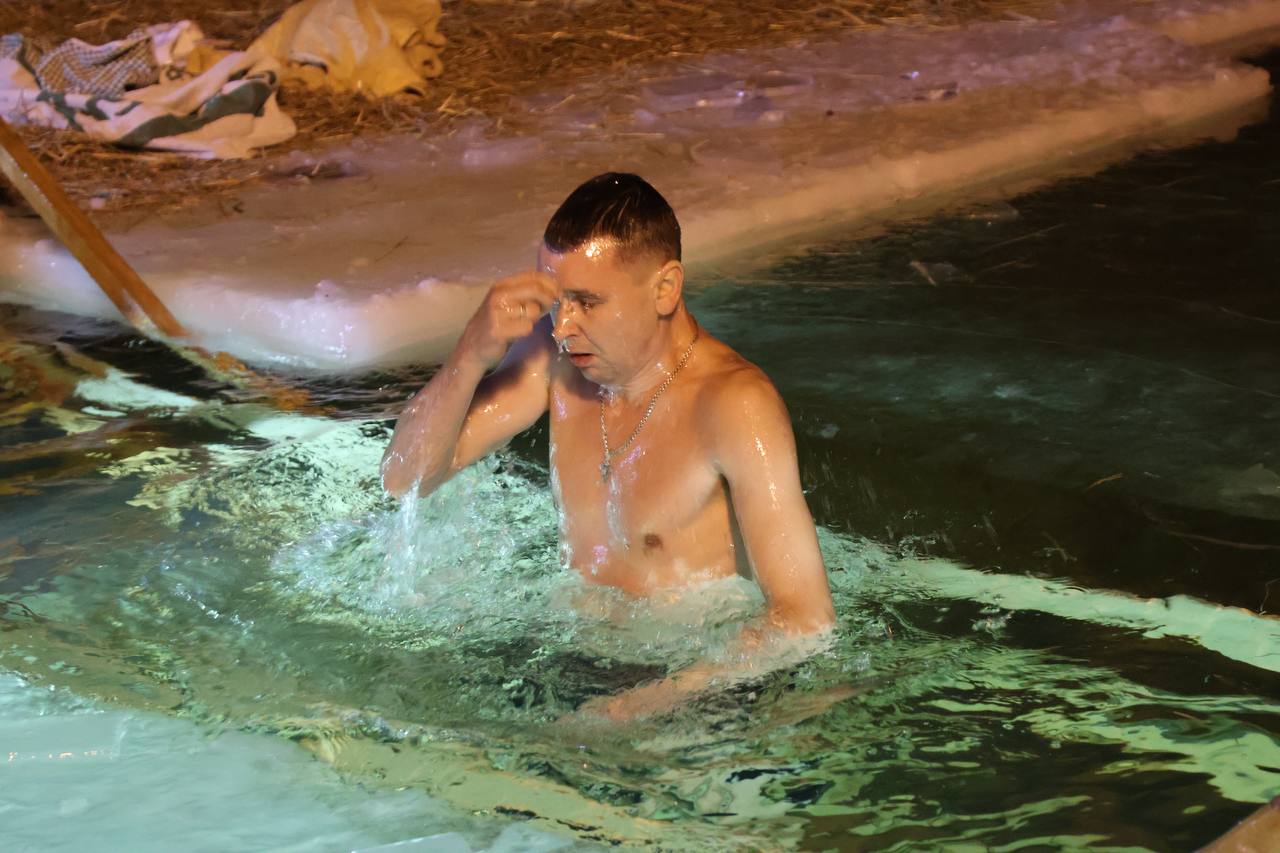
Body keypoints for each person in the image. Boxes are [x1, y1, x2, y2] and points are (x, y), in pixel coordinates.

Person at [382, 173, 835, 720]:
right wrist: (471, 353)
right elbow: (404, 478)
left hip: (698, 687)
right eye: (558, 302)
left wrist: (628, 711)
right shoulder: (555, 362)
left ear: (665, 289)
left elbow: (805, 621)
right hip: (572, 662)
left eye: (587, 302)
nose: (562, 327)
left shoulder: (734, 404)